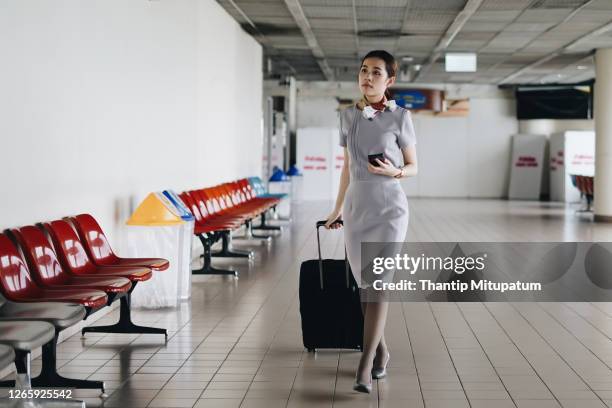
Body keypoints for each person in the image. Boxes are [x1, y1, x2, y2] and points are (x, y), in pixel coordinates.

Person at [324, 50, 418, 393]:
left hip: (390, 206)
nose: (368, 77)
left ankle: (364, 367)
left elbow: (413, 166)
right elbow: (348, 167)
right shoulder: (347, 117)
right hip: (357, 204)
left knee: (378, 284)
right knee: (364, 287)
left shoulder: (400, 117)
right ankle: (382, 351)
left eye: (377, 72)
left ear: (389, 81)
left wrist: (395, 171)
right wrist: (337, 209)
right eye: (364, 70)